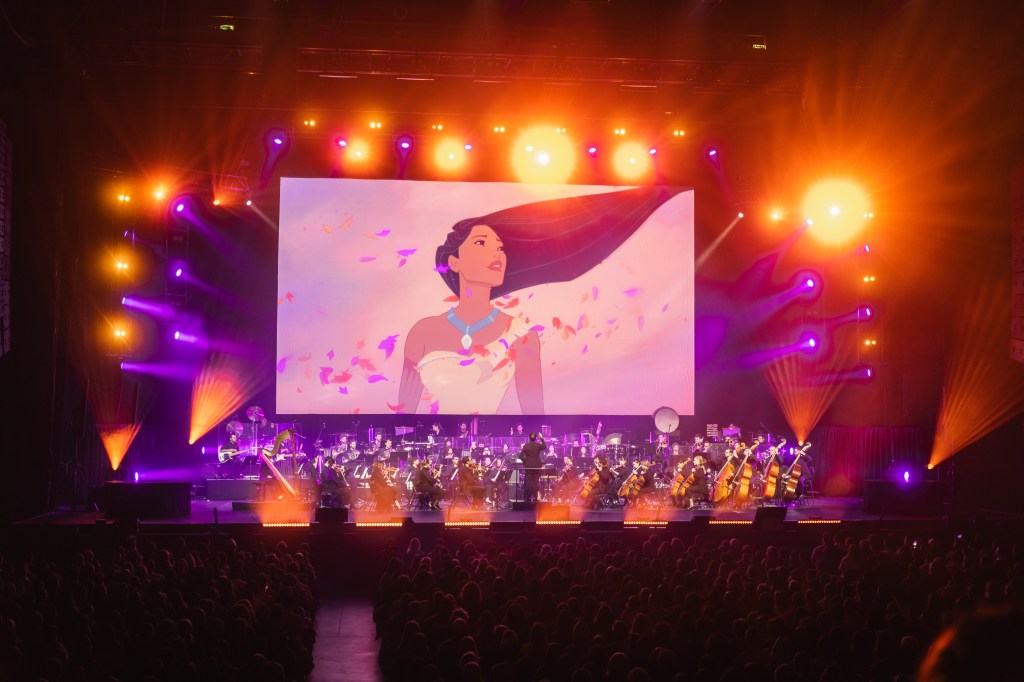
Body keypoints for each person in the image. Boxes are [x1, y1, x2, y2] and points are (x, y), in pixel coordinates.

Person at [397, 186, 684, 414]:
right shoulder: (423, 332)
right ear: (454, 262)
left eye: (500, 248)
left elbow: (534, 417)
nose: (497, 254)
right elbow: (403, 413)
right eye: (481, 243)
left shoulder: (521, 336)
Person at [518, 432, 546, 502]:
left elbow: (520, 456)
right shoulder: (538, 445)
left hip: (528, 467)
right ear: (536, 438)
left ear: (529, 438)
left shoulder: (526, 446)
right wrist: (541, 437)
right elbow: (544, 446)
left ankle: (528, 498)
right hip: (537, 467)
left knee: (529, 483)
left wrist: (526, 461)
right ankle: (535, 498)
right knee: (535, 482)